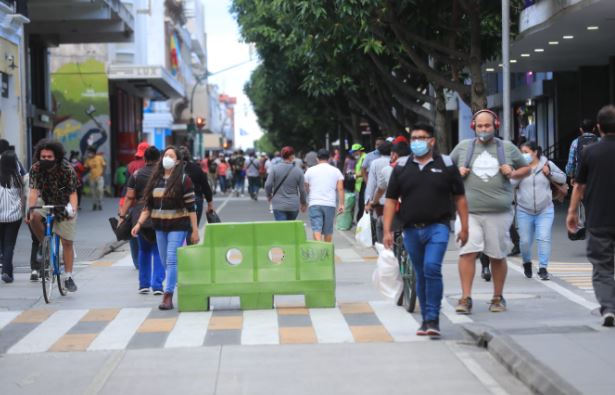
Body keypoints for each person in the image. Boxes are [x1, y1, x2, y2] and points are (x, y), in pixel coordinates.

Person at [384, 124, 469, 337]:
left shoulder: (447, 165)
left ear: (431, 141)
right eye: (414, 138)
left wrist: (465, 226)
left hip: (438, 227)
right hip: (411, 230)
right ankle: (425, 321)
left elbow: (459, 197)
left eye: (422, 138)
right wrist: (387, 229)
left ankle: (433, 318)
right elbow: (391, 200)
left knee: (432, 268)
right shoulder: (402, 167)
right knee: (421, 274)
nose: (417, 142)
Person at [449, 109, 530, 314]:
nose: (483, 129)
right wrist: (456, 173)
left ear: (496, 125)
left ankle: (497, 297)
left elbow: (526, 169)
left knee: (497, 255)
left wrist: (512, 172)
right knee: (467, 252)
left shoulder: (508, 148)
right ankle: (466, 297)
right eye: (479, 126)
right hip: (469, 213)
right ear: (473, 127)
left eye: (487, 125)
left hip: (499, 213)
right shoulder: (463, 148)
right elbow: (446, 171)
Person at [132, 146, 199, 310]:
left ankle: (167, 296)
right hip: (160, 226)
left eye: (171, 155)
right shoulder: (155, 180)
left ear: (177, 161)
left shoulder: (184, 180)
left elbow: (191, 208)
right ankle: (181, 281)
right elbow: (148, 206)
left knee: (171, 259)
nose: (167, 158)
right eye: (165, 155)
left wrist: (195, 230)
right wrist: (139, 224)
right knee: (165, 261)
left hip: (178, 225)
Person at [567, 105, 615, 327]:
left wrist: (572, 212)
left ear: (599, 127)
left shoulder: (589, 152)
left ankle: (609, 308)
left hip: (599, 217)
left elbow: (578, 186)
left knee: (602, 266)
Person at [26, 138, 79, 292]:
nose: (46, 160)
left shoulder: (67, 169)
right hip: (46, 200)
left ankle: (68, 276)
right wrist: (29, 209)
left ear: (56, 157)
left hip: (64, 203)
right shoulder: (35, 169)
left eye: (49, 157)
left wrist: (72, 209)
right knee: (34, 216)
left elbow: (73, 193)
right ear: (39, 157)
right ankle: (45, 244)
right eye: (43, 157)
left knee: (67, 242)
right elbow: (34, 192)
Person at [512, 141, 566, 280]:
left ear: (535, 152)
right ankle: (527, 263)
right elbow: (510, 184)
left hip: (545, 209)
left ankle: (543, 268)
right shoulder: (519, 166)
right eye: (521, 152)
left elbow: (563, 178)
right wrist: (520, 174)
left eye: (526, 152)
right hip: (524, 210)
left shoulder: (547, 163)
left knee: (544, 238)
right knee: (524, 241)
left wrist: (550, 173)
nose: (523, 155)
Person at [119, 146, 164, 294]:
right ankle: (157, 285)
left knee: (144, 250)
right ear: (159, 159)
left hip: (140, 214)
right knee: (158, 249)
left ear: (145, 159)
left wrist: (121, 216)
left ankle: (144, 284)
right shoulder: (163, 175)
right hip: (160, 213)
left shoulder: (136, 175)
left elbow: (129, 197)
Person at [565, 119, 599, 240]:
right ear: (595, 128)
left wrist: (571, 176)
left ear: (581, 129)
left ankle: (587, 226)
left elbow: (570, 163)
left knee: (585, 205)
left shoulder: (576, 142)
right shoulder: (600, 141)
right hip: (598, 180)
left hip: (582, 181)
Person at [304, 149, 344, 242]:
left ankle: (319, 249)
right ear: (329, 158)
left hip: (314, 203)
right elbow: (340, 189)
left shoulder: (310, 170)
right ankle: (327, 252)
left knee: (316, 228)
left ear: (317, 158)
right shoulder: (336, 171)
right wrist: (341, 204)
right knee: (328, 230)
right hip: (330, 204)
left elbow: (306, 187)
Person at [265, 146, 307, 221]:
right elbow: (302, 190)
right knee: (290, 228)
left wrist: (269, 196)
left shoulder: (274, 169)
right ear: (292, 156)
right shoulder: (298, 171)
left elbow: (268, 185)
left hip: (278, 204)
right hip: (293, 205)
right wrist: (303, 203)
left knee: (282, 229)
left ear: (282, 155)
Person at [0, 151, 24, 283]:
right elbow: (22, 196)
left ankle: (7, 269)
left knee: (3, 245)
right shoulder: (17, 178)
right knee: (9, 244)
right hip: (14, 216)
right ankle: (6, 272)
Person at [178, 146, 214, 228]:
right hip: (195, 199)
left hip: (178, 201)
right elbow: (206, 187)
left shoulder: (173, 169)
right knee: (193, 227)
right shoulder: (197, 169)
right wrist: (210, 204)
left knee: (179, 228)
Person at [364, 141, 392, 243]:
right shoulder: (397, 162)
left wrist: (367, 201)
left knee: (381, 224)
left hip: (380, 200)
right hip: (396, 199)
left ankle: (383, 248)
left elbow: (371, 184)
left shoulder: (375, 163)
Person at [84, 146, 106, 210]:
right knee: (93, 192)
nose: (89, 154)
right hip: (91, 178)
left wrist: (102, 173)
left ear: (93, 153)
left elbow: (104, 165)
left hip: (99, 177)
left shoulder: (100, 158)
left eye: (90, 152)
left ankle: (100, 202)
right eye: (88, 153)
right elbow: (86, 168)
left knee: (100, 190)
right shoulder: (87, 160)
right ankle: (94, 204)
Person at [351, 144, 367, 221]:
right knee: (360, 204)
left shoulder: (364, 157)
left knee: (362, 205)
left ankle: (361, 221)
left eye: (354, 152)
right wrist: (353, 172)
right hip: (360, 185)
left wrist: (354, 175)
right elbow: (359, 170)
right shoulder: (361, 158)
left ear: (359, 151)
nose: (353, 154)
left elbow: (364, 171)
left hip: (363, 184)